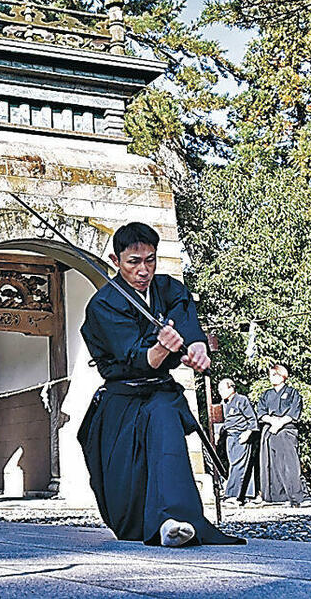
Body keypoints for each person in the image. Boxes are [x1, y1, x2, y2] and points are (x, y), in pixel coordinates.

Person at [78, 222, 242, 547]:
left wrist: (197, 348)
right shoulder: (103, 304)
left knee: (166, 430)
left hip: (159, 392)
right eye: (133, 262)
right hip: (122, 397)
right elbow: (139, 358)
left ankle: (174, 520)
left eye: (150, 260)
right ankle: (144, 522)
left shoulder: (169, 289)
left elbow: (189, 326)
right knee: (123, 489)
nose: (143, 270)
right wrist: (162, 347)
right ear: (116, 260)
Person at [255, 365, 311, 507]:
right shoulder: (266, 394)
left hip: (286, 430)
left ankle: (300, 497)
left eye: (275, 374)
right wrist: (272, 421)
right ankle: (276, 498)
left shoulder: (293, 393)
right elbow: (261, 413)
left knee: (290, 465)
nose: (272, 378)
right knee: (270, 464)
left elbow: (294, 412)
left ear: (283, 376)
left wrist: (279, 423)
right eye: (270, 375)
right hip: (269, 430)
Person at [217, 378, 258, 503]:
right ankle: (244, 495)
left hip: (241, 435)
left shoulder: (242, 400)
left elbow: (252, 419)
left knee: (238, 465)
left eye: (222, 389)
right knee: (235, 465)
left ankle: (232, 495)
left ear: (231, 388)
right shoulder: (224, 403)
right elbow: (226, 422)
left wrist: (248, 432)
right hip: (230, 436)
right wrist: (219, 434)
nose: (220, 392)